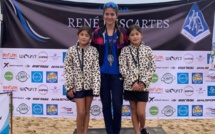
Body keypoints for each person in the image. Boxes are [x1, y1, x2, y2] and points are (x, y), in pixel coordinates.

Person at [91, 2, 129, 134]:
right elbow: (92, 52)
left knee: (117, 106)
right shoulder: (97, 33)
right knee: (106, 105)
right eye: (107, 14)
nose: (109, 16)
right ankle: (110, 131)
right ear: (103, 15)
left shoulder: (123, 33)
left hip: (118, 75)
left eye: (112, 14)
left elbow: (129, 51)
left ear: (116, 15)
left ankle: (116, 131)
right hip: (102, 75)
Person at [119, 24, 156, 134]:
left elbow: (152, 67)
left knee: (140, 112)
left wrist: (143, 82)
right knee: (134, 110)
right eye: (132, 35)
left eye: (137, 34)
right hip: (130, 86)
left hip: (143, 87)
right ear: (128, 37)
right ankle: (137, 132)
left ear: (141, 35)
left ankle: (143, 127)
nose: (135, 37)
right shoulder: (125, 50)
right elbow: (122, 67)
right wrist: (133, 82)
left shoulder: (147, 50)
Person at [64, 26, 100, 134]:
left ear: (90, 38)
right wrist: (70, 86)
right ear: (78, 36)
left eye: (87, 35)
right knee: (80, 112)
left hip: (90, 86)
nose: (84, 37)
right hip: (78, 87)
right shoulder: (71, 50)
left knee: (87, 111)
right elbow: (68, 69)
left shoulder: (93, 51)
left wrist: (96, 88)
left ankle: (85, 132)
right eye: (82, 34)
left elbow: (96, 70)